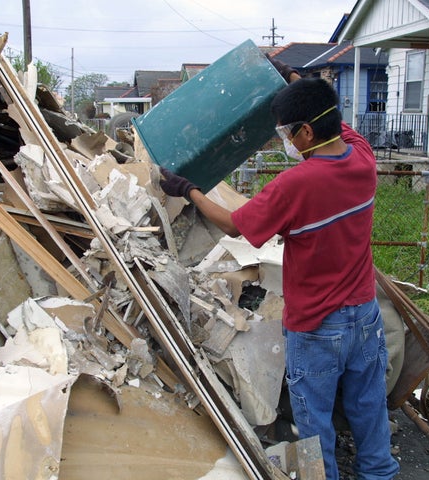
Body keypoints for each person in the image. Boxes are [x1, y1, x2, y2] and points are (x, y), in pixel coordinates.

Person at [158, 75, 399, 480]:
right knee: (369, 406)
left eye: (288, 132)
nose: (285, 141)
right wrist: (296, 82)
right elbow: (341, 125)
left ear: (307, 131)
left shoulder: (295, 184)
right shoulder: (363, 158)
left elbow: (235, 226)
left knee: (314, 423)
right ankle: (378, 473)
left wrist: (190, 191)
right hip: (365, 316)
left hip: (317, 327)